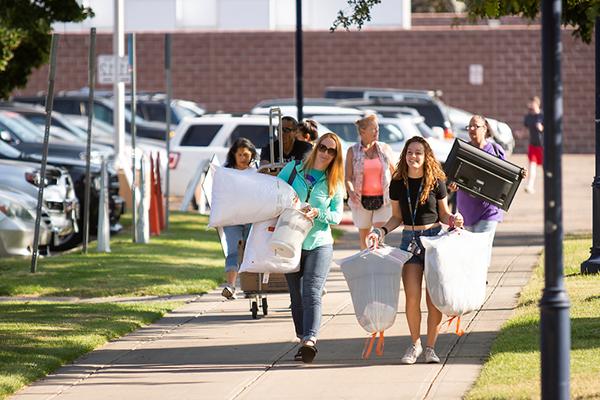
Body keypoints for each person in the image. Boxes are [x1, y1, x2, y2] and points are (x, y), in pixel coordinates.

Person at [367, 136, 463, 365]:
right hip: (409, 241)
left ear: (426, 155)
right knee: (412, 298)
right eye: (410, 152)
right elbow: (396, 217)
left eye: (418, 152)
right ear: (405, 155)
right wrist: (379, 232)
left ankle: (430, 347)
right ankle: (415, 344)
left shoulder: (436, 181)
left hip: (433, 240)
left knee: (433, 300)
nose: (413, 157)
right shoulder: (398, 182)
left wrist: (454, 219)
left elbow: (443, 214)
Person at [277, 132, 344, 363]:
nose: (326, 153)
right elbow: (275, 196)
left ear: (336, 156)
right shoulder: (293, 169)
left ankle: (310, 340)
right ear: (316, 148)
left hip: (319, 243)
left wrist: (318, 213)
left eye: (331, 151)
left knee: (312, 291)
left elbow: (336, 216)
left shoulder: (334, 180)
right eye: (323, 147)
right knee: (296, 296)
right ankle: (301, 338)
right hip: (290, 241)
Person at [448, 115, 504, 240]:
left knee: (481, 251)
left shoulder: (495, 151)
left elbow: (505, 180)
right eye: (470, 126)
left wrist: (520, 174)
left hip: (488, 211)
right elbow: (451, 178)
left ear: (484, 129)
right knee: (470, 255)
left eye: (476, 126)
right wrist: (452, 186)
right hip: (465, 212)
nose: (472, 129)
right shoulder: (462, 150)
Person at [345, 114, 395, 250]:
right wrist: (351, 191)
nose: (377, 132)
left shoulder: (384, 148)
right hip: (360, 200)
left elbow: (395, 172)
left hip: (383, 199)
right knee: (365, 239)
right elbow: (348, 177)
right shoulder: (352, 151)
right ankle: (367, 266)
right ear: (362, 131)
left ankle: (379, 266)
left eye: (377, 128)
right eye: (373, 129)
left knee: (378, 236)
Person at [221, 138, 258, 299]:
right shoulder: (225, 172)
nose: (244, 158)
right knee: (233, 252)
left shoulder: (257, 171)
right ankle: (230, 286)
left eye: (247, 155)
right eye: (240, 154)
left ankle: (250, 287)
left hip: (252, 218)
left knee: (251, 252)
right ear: (233, 155)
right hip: (232, 220)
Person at [523, 96, 543, 193]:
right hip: (533, 145)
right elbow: (526, 129)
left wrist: (541, 128)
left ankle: (549, 186)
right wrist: (521, 134)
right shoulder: (528, 117)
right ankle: (530, 186)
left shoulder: (542, 115)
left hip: (543, 146)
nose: (530, 105)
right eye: (529, 103)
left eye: (532, 103)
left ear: (537, 104)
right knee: (532, 166)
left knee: (546, 168)